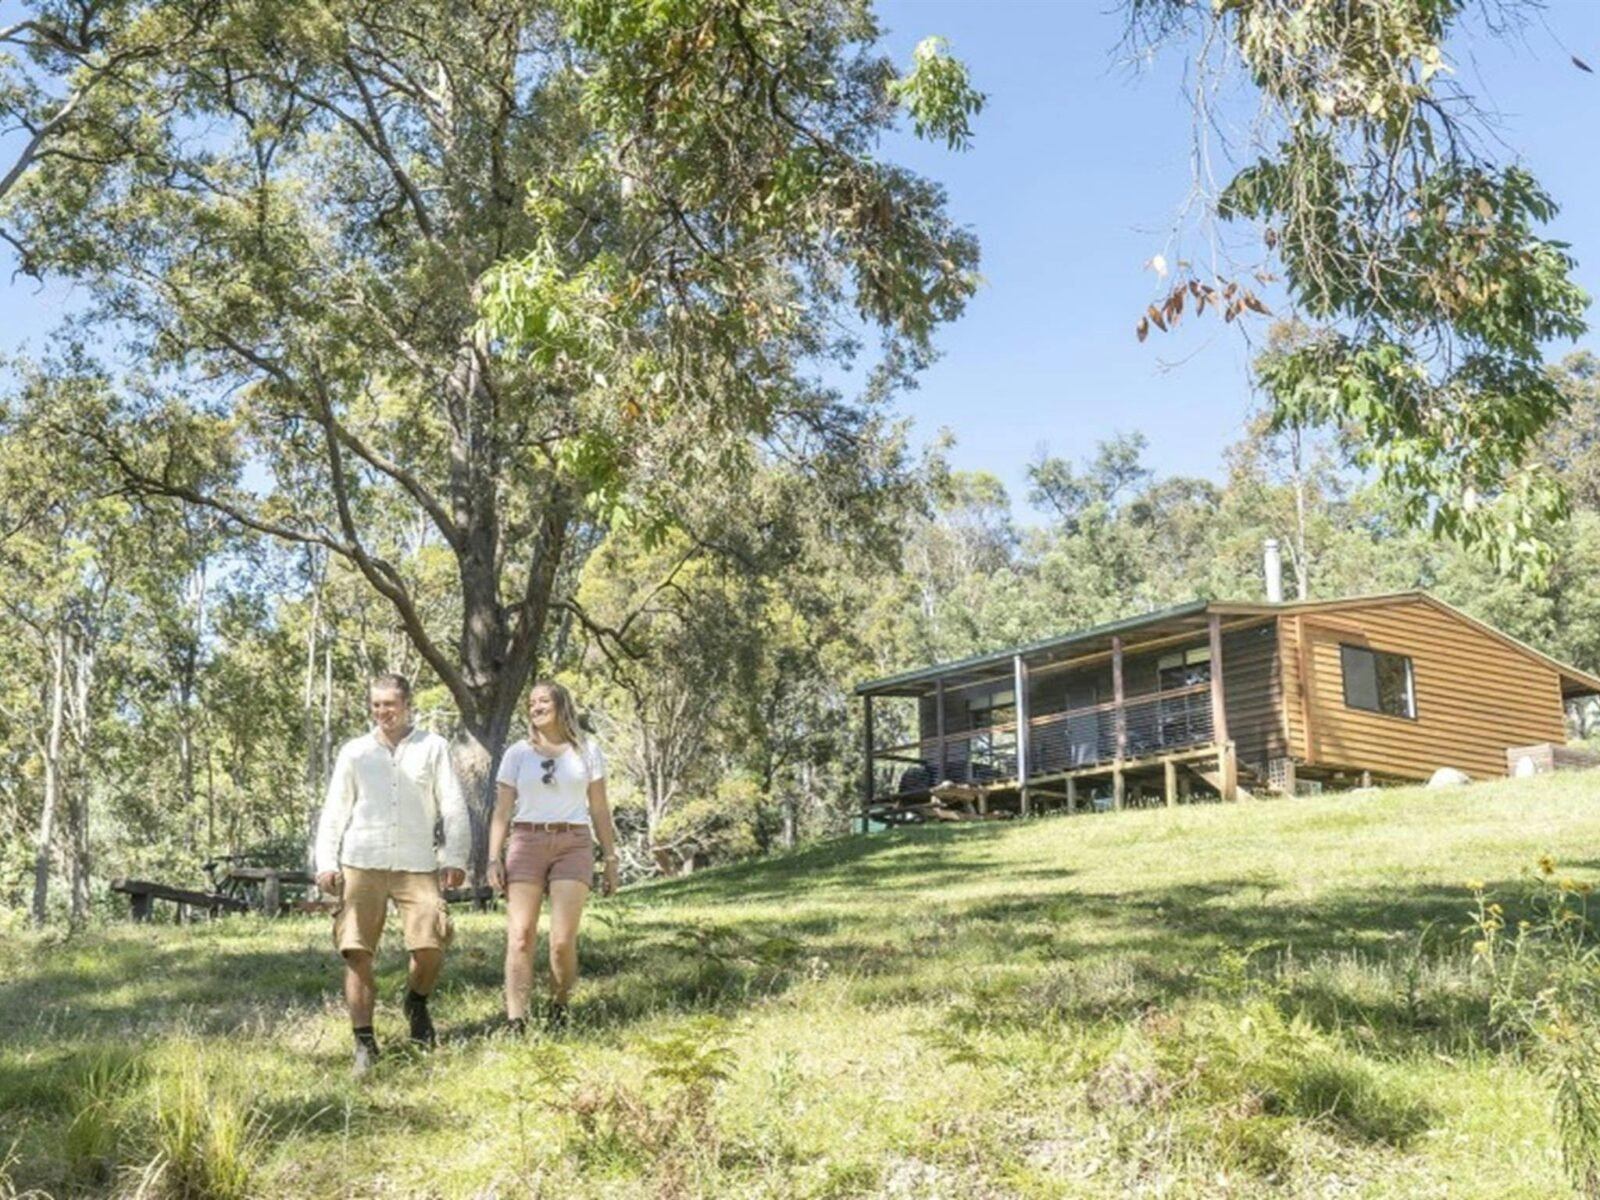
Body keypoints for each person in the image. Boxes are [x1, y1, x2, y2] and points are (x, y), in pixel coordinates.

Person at [314, 673, 470, 1074]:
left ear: (407, 705)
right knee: (356, 950)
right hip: (361, 860)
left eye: (390, 704)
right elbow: (336, 808)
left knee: (430, 946)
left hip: (417, 862)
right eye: (376, 704)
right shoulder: (355, 752)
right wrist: (326, 862)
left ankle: (416, 1002)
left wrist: (456, 856)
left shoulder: (433, 747)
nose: (383, 711)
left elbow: (452, 803)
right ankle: (364, 1044)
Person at [487, 680, 621, 1032]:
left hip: (573, 841)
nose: (536, 707)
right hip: (526, 840)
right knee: (520, 935)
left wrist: (610, 859)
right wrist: (493, 857)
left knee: (561, 942)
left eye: (544, 700)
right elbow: (501, 811)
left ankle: (559, 1008)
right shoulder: (517, 753)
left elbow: (600, 808)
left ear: (562, 705)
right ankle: (516, 1021)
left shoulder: (587, 750)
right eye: (531, 703)